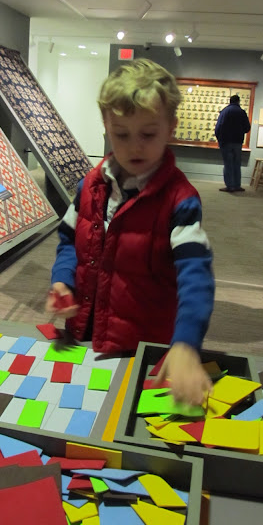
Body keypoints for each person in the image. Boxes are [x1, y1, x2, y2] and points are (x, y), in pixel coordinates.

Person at [45, 59, 215, 406]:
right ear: (106, 127)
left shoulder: (180, 201)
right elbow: (68, 242)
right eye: (122, 134)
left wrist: (185, 343)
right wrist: (64, 281)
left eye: (148, 134)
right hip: (85, 338)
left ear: (171, 128)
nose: (135, 146)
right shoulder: (88, 186)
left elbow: (196, 277)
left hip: (141, 350)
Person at [215, 94, 251, 192]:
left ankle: (229, 186)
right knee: (236, 164)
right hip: (237, 142)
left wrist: (220, 140)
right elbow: (247, 128)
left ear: (230, 101)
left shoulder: (224, 111)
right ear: (238, 101)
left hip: (226, 142)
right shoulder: (242, 112)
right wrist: (239, 131)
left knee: (228, 164)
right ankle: (237, 185)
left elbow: (218, 127)